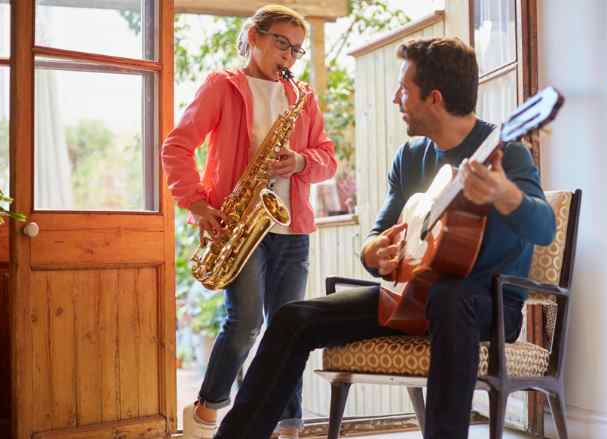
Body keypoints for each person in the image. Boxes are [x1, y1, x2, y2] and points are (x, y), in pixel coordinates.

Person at [214, 36, 555, 439]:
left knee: (450, 295)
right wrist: (377, 252)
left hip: (489, 305)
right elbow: (376, 238)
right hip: (412, 296)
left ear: (434, 98)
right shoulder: (410, 157)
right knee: (293, 318)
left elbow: (544, 228)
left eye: (404, 89)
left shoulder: (506, 154)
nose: (396, 98)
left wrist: (504, 194)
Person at [161, 5, 337, 439]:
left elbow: (328, 160)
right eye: (281, 43)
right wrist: (198, 204)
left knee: (290, 328)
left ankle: (289, 425)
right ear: (255, 36)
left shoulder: (303, 98)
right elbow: (177, 146)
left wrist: (299, 160)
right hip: (240, 224)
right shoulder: (222, 86)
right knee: (244, 323)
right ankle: (207, 410)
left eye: (296, 49)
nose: (289, 56)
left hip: (290, 228)